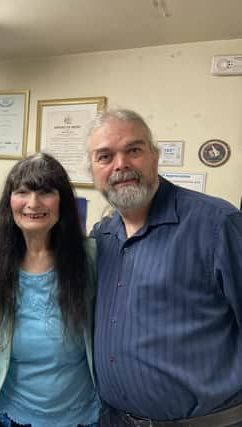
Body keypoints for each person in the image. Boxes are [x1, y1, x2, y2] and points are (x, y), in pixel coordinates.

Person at [86, 109, 242, 426]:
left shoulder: (216, 224)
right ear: (93, 171)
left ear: (155, 157)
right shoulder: (100, 238)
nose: (121, 165)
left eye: (133, 150)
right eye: (105, 156)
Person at [0, 153, 99, 427]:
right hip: (11, 416)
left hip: (81, 416)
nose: (33, 203)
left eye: (46, 192)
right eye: (22, 192)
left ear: (62, 201)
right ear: (9, 201)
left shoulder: (90, 256)